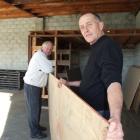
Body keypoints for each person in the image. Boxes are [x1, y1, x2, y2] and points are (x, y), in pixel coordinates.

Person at [58, 13, 124, 140]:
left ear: (100, 25)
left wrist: (115, 118)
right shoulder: (96, 47)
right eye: (82, 27)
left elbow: (113, 83)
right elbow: (90, 81)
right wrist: (69, 83)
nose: (85, 30)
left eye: (89, 24)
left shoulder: (107, 46)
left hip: (98, 113)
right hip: (90, 109)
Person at [23, 41, 53, 139]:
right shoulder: (40, 56)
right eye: (47, 48)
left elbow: (47, 68)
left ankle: (37, 126)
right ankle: (34, 133)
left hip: (35, 86)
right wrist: (50, 64)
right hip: (32, 86)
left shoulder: (43, 56)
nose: (49, 51)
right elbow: (49, 69)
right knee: (33, 110)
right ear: (42, 48)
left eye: (51, 49)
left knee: (37, 109)